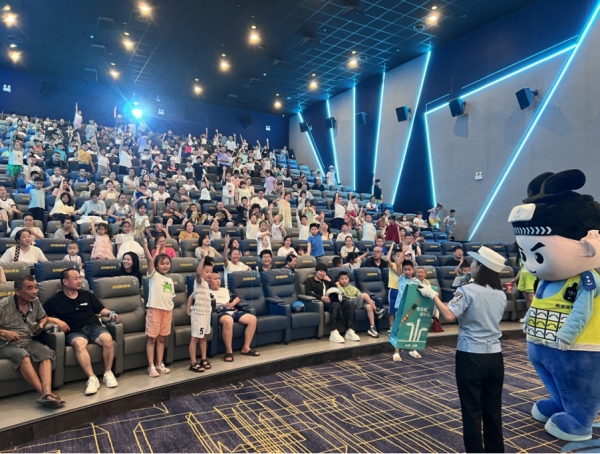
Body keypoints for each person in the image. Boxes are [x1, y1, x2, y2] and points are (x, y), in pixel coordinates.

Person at [417, 246, 507, 454]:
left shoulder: (466, 290)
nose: (470, 265)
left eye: (474, 263)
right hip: (495, 356)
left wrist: (433, 296)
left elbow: (449, 315)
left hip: (471, 355)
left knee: (472, 410)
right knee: (493, 410)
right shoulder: (500, 293)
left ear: (480, 267)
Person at [44, 269, 119, 395]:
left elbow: (100, 309)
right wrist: (56, 320)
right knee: (79, 343)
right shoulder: (55, 300)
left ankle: (108, 373)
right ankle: (92, 378)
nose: (80, 281)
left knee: (107, 338)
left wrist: (111, 313)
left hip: (93, 326)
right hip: (74, 330)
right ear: (65, 281)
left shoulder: (87, 295)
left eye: (80, 278)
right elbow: (41, 316)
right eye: (76, 278)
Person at [0, 275, 63, 408]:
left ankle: (47, 393)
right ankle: (45, 395)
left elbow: (44, 317)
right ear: (17, 291)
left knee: (45, 352)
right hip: (6, 344)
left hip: (28, 340)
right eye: (30, 288)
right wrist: (5, 333)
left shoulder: (35, 301)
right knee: (22, 355)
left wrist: (41, 325)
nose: (35, 291)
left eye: (36, 287)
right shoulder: (3, 304)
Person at [141, 239, 174, 378]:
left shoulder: (170, 280)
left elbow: (170, 297)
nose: (165, 266)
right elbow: (150, 259)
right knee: (152, 339)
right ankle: (151, 366)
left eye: (167, 263)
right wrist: (145, 245)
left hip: (167, 312)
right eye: (162, 263)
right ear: (156, 266)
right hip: (154, 310)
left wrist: (170, 311)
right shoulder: (154, 275)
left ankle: (159, 364)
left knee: (161, 339)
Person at [209, 272, 260, 362]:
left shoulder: (225, 290)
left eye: (219, 278)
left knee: (253, 319)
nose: (218, 281)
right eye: (215, 279)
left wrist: (232, 303)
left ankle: (246, 348)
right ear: (209, 281)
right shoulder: (207, 292)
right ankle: (229, 351)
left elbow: (237, 298)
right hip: (220, 313)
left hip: (232, 311)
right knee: (228, 321)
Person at [305, 263, 358, 343]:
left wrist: (329, 281)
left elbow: (336, 289)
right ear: (316, 271)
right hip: (319, 303)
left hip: (330, 300)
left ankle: (349, 330)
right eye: (321, 271)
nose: (322, 273)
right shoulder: (310, 281)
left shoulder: (326, 281)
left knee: (346, 303)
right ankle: (334, 331)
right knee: (335, 305)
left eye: (324, 272)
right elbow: (308, 292)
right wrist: (321, 297)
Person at [336, 271, 384, 338]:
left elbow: (359, 294)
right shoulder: (339, 288)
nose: (344, 280)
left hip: (358, 302)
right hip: (350, 303)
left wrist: (369, 300)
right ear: (339, 280)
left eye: (346, 279)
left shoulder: (352, 287)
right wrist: (338, 286)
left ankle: (372, 327)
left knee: (369, 306)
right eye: (342, 279)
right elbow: (343, 294)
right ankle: (376, 310)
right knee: (365, 295)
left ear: (348, 280)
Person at [391, 257, 422, 361]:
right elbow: (398, 265)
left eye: (409, 269)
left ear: (413, 270)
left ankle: (413, 349)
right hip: (401, 307)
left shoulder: (417, 281)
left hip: (412, 307)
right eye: (405, 270)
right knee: (399, 328)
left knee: (412, 328)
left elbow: (421, 294)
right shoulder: (402, 279)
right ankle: (396, 352)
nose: (407, 272)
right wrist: (403, 252)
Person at [186, 253, 213, 373]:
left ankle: (203, 359)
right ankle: (193, 363)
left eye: (210, 272)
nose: (209, 274)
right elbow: (198, 273)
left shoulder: (206, 285)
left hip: (206, 314)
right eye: (206, 271)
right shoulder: (199, 282)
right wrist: (202, 259)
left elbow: (191, 297)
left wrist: (188, 309)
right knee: (195, 338)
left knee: (204, 337)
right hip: (198, 315)